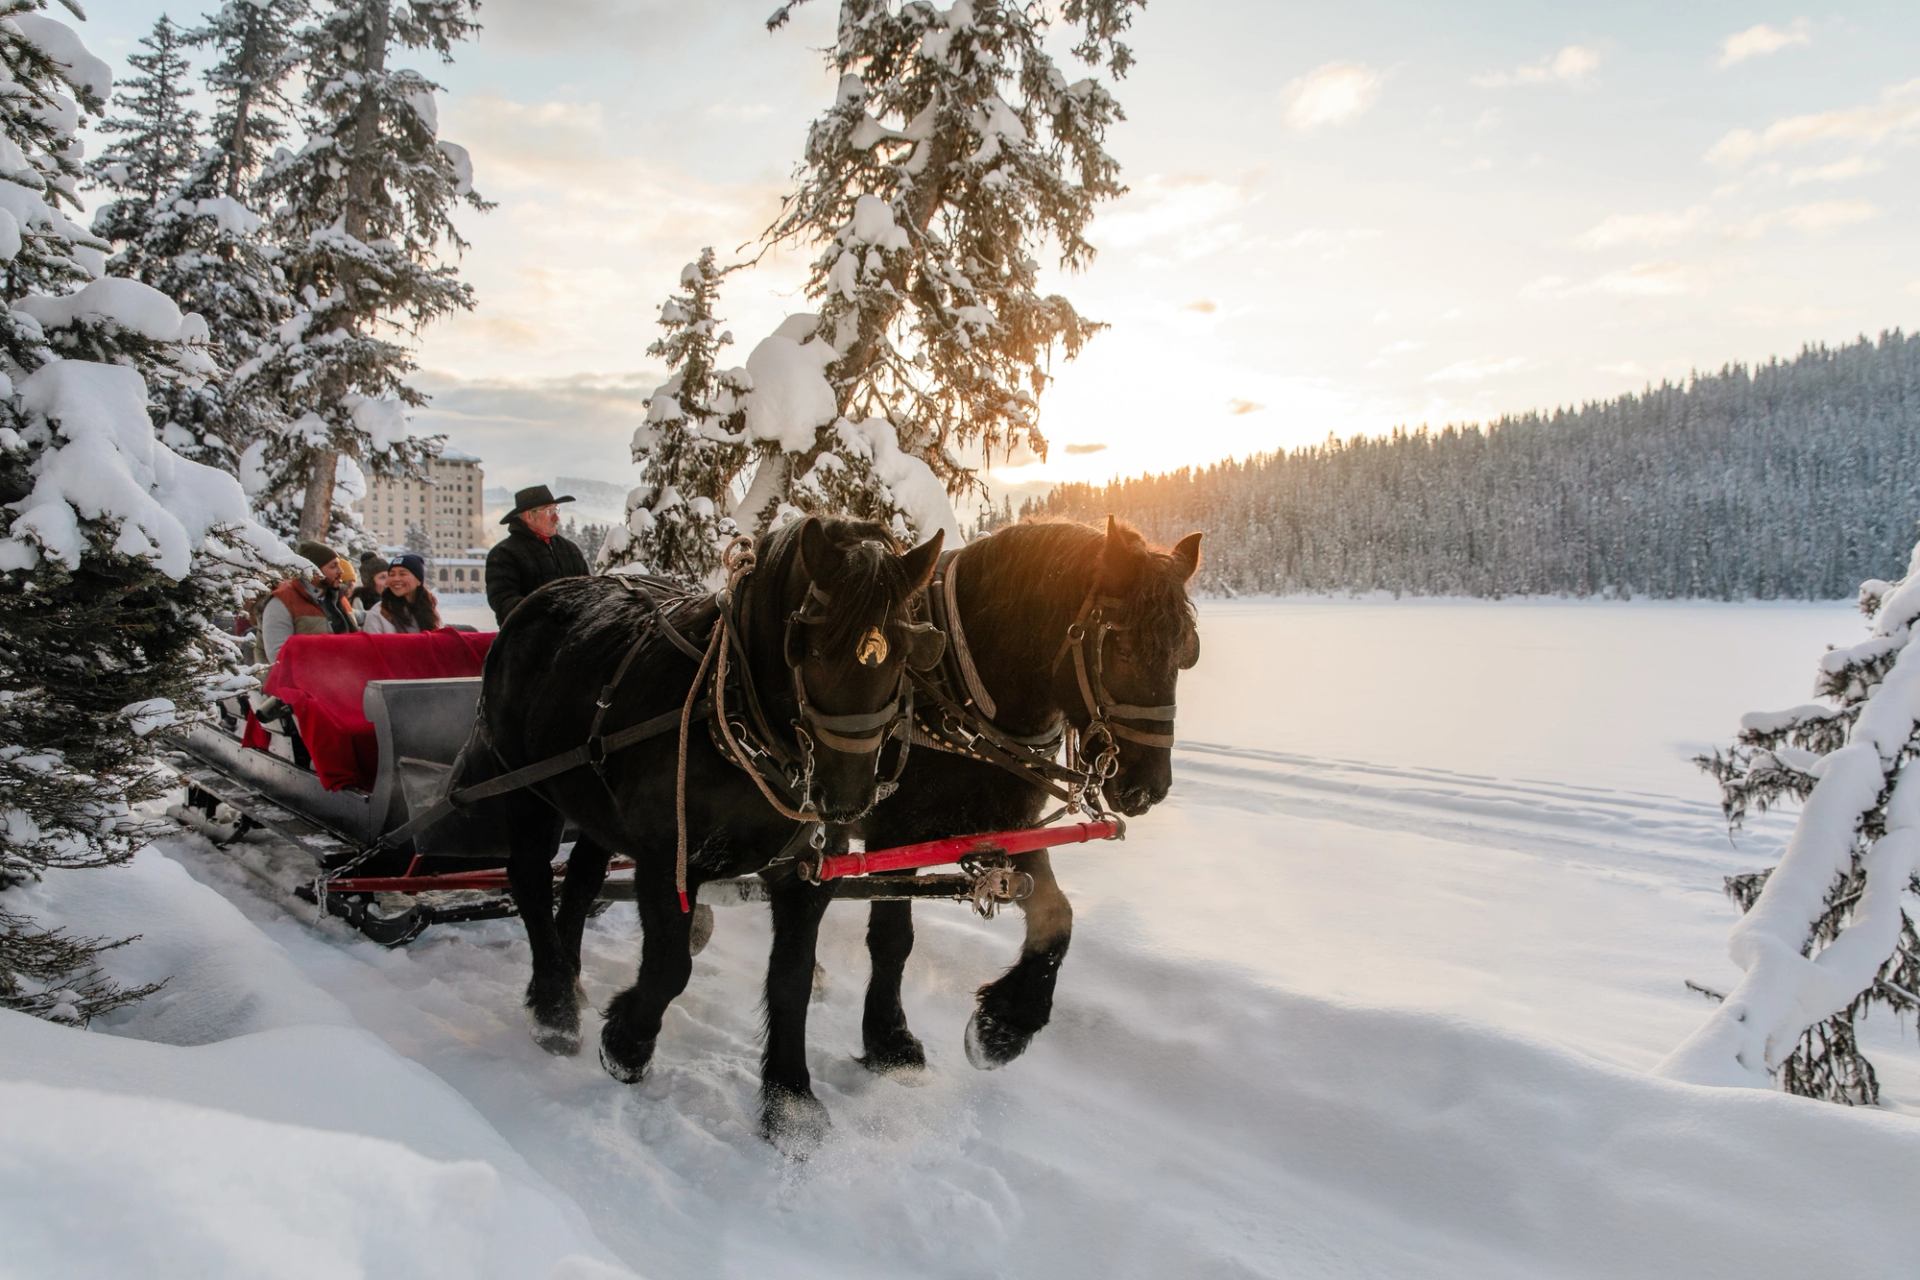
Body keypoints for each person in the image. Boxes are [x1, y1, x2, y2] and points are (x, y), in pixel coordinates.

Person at [485, 483, 589, 626]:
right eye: (549, 511)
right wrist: (551, 615)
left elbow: (588, 591)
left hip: (574, 638)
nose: (556, 518)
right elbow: (504, 602)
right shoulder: (504, 554)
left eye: (556, 510)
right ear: (529, 516)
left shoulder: (570, 550)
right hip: (528, 643)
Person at [256, 539, 358, 664]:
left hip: (342, 678)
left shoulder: (336, 599)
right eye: (333, 566)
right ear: (314, 571)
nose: (341, 571)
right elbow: (279, 656)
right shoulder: (281, 602)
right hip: (298, 681)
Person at [361, 553, 442, 635]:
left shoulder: (428, 609)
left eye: (402, 574)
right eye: (392, 574)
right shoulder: (378, 613)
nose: (396, 579)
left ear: (418, 580)